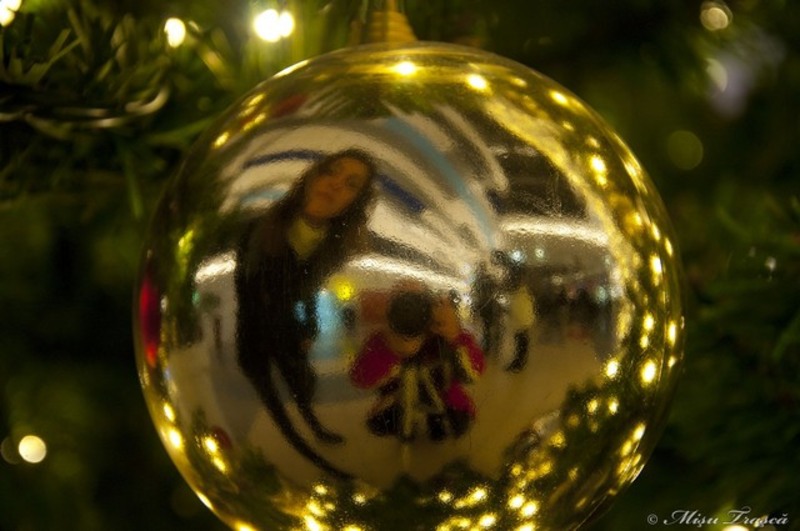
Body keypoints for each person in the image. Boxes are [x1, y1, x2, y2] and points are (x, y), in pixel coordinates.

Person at [235, 149, 376, 475]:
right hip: (253, 333)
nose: (335, 184)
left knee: (301, 389)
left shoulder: (333, 249)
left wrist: (308, 328)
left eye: (351, 184)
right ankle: (311, 456)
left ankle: (316, 428)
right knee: (272, 400)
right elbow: (245, 289)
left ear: (354, 202)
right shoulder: (258, 228)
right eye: (332, 171)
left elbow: (310, 293)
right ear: (313, 177)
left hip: (289, 333)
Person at [350, 290, 485, 442]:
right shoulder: (383, 341)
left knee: (451, 427)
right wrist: (390, 348)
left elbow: (474, 373)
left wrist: (455, 336)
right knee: (381, 424)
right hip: (402, 400)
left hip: (444, 402)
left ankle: (433, 424)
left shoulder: (442, 340)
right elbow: (360, 378)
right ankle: (408, 428)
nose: (412, 323)